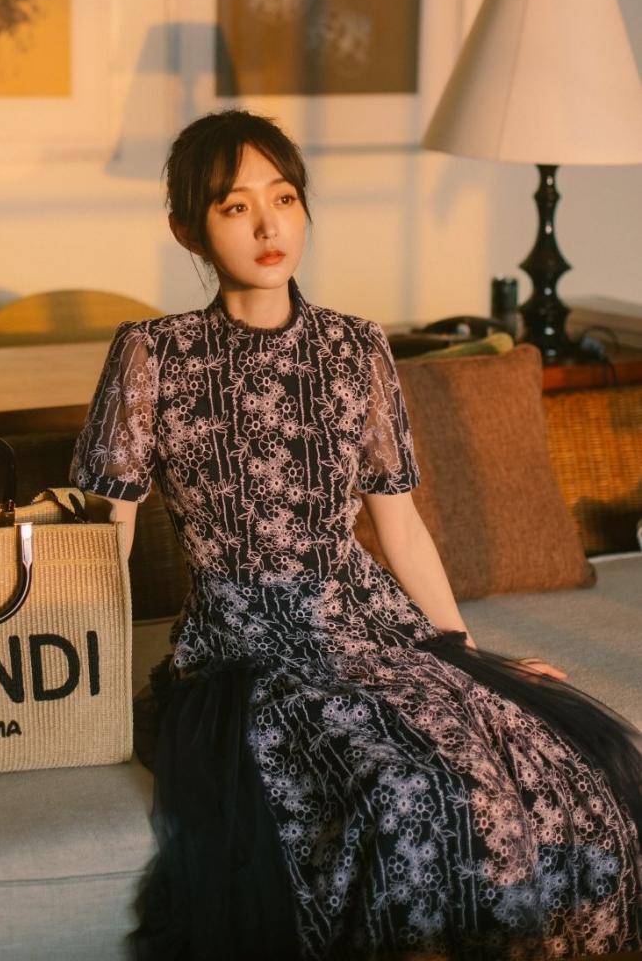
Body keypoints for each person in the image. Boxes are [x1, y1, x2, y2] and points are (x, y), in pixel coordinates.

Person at [70, 108, 642, 960]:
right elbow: (103, 537)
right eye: (234, 207)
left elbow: (399, 527)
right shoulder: (154, 354)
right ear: (188, 229)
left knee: (549, 774)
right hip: (244, 648)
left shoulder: (356, 347)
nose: (268, 226)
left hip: (370, 626)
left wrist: (467, 657)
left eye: (284, 198)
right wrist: (76, 685)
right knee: (406, 788)